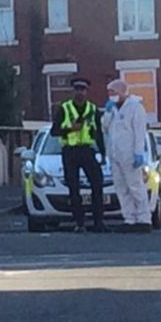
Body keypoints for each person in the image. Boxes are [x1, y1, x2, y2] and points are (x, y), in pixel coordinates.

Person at [51, 77, 109, 234]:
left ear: (87, 91)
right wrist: (70, 128)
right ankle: (79, 222)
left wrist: (103, 153)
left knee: (97, 184)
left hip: (87, 151)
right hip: (70, 152)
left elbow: (98, 133)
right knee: (73, 188)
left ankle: (98, 222)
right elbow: (54, 131)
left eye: (82, 90)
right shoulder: (65, 108)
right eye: (77, 89)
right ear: (73, 91)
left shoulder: (92, 109)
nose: (80, 93)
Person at [102, 79, 151, 233]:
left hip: (130, 154)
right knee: (121, 188)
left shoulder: (135, 108)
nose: (111, 95)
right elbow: (105, 127)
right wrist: (108, 113)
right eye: (109, 92)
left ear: (122, 92)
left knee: (135, 187)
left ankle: (144, 219)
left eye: (113, 92)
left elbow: (139, 132)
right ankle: (129, 218)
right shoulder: (112, 109)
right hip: (115, 154)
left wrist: (138, 153)